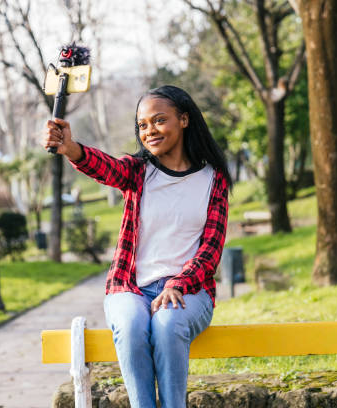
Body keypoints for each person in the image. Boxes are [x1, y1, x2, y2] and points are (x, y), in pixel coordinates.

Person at [42, 85, 232, 408]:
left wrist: (178, 284)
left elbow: (210, 251)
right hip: (130, 288)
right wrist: (71, 147)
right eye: (142, 125)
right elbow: (106, 168)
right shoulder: (138, 171)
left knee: (168, 324)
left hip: (190, 291)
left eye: (159, 120)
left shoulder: (214, 180)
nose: (150, 131)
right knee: (130, 326)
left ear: (184, 120)